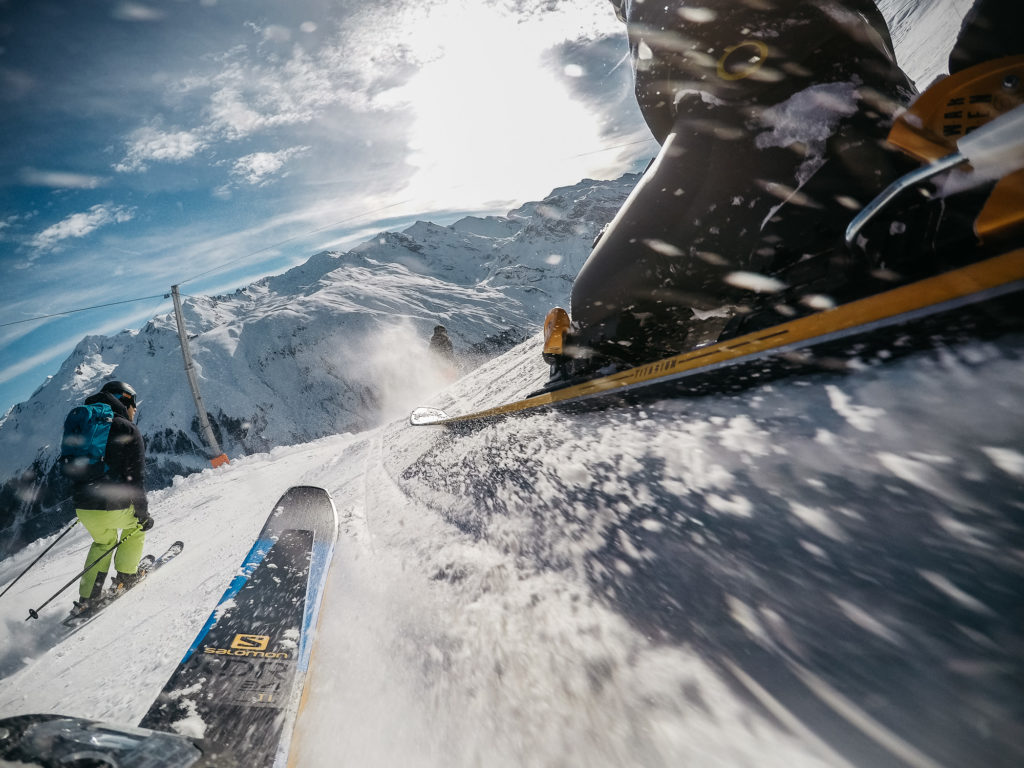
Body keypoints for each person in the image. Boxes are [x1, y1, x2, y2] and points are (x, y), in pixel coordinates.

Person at [558, 0, 1012, 380]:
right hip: (829, 118)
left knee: (612, 305)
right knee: (616, 297)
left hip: (780, 123)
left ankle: (825, 211)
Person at [69, 380, 153, 616]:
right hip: (111, 505)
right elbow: (136, 479)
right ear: (125, 400)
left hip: (83, 506)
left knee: (103, 542)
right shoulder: (126, 429)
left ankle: (88, 597)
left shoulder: (86, 427)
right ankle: (127, 575)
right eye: (134, 405)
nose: (135, 411)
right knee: (136, 527)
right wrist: (143, 513)